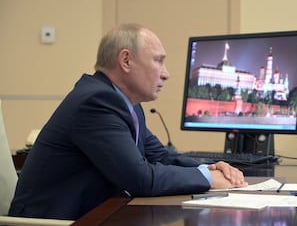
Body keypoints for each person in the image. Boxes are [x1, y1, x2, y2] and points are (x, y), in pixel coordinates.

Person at [8, 23, 248, 220]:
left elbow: (161, 157)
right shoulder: (95, 102)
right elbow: (140, 178)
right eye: (158, 61)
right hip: (54, 222)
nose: (166, 73)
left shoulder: (126, 104)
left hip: (95, 215)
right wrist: (206, 179)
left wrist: (211, 168)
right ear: (126, 60)